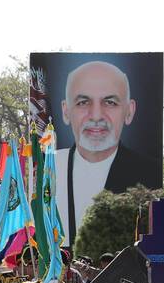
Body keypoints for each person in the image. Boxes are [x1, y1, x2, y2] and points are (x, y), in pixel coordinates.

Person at [54, 61, 157, 244]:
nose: (96, 116)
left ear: (129, 111)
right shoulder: (48, 171)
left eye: (110, 102)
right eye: (83, 102)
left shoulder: (151, 176)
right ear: (66, 111)